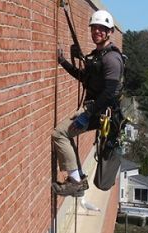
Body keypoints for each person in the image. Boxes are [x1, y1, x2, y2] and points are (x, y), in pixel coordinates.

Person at [52, 9, 124, 197]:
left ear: (110, 32)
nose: (97, 32)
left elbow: (109, 93)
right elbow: (84, 78)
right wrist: (64, 62)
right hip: (94, 108)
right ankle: (78, 177)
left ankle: (75, 181)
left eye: (102, 29)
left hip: (101, 111)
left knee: (60, 133)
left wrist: (86, 114)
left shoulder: (112, 59)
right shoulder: (98, 55)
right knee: (66, 134)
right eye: (94, 28)